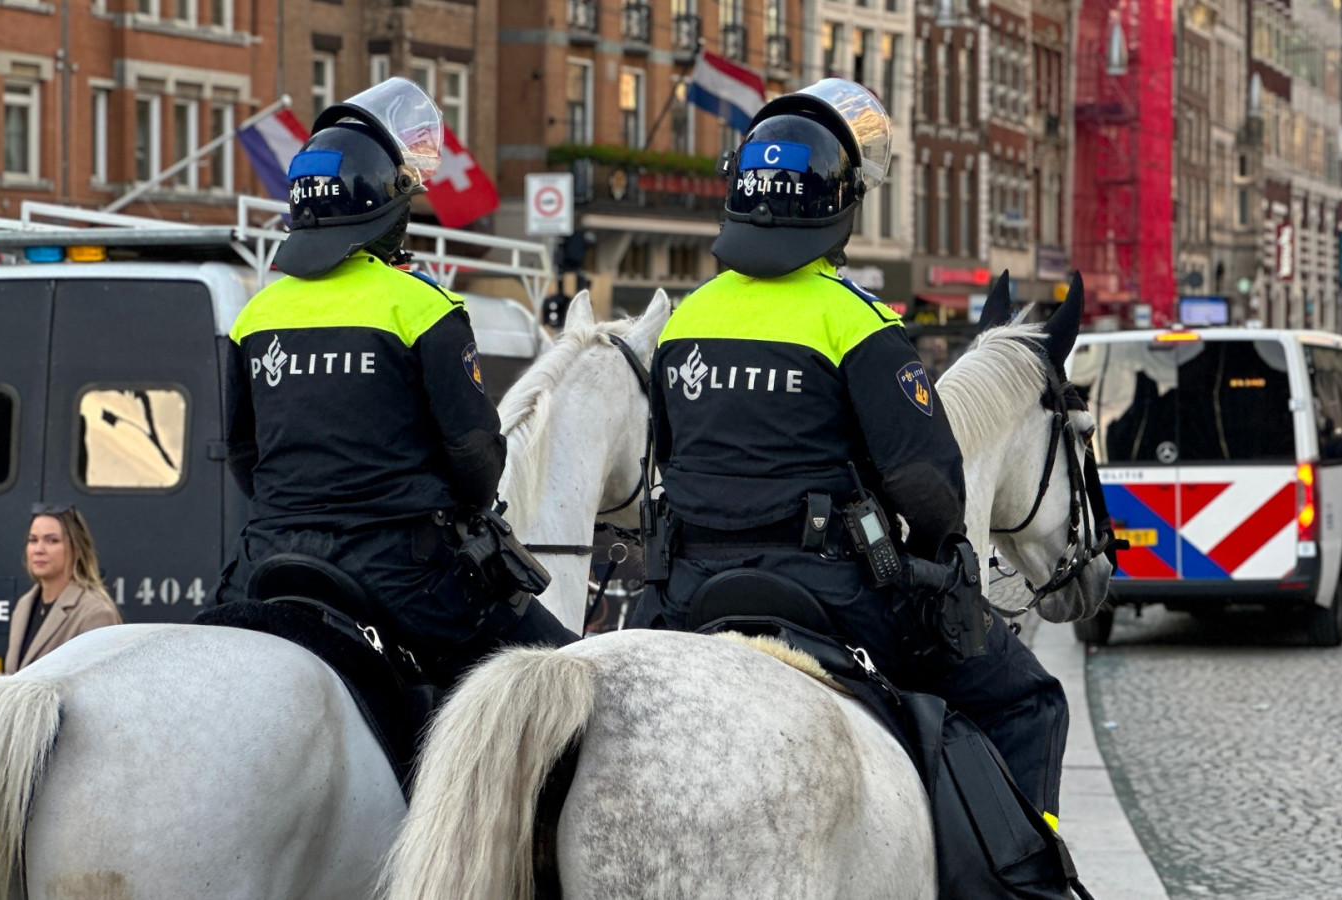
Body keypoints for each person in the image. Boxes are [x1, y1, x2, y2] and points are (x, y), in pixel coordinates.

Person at [629, 80, 1073, 843]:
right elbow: (929, 485)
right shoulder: (856, 321)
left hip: (689, 591)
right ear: (842, 206)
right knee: (1028, 699)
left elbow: (667, 456)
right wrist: (940, 555)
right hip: (831, 591)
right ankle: (1024, 869)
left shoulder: (685, 318)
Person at [217, 79, 574, 687]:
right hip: (403, 578)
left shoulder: (255, 314)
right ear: (387, 207)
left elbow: (242, 453)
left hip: (268, 561)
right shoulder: (423, 308)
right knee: (567, 674)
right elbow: (475, 459)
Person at [6, 505, 123, 674]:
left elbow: (99, 690)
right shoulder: (23, 606)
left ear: (76, 548)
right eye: (33, 540)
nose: (39, 549)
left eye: (52, 540)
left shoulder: (95, 613)